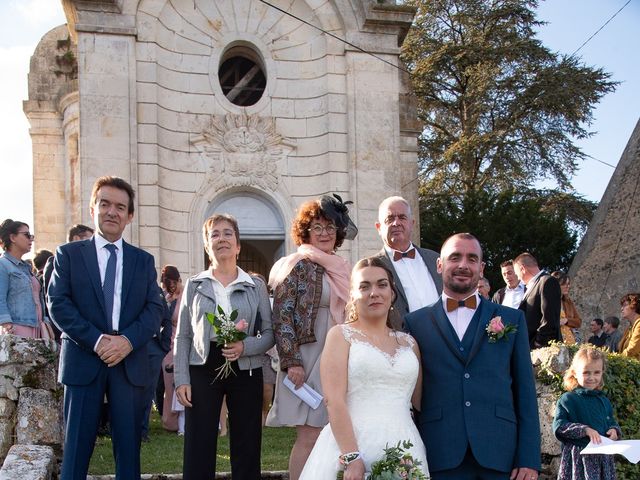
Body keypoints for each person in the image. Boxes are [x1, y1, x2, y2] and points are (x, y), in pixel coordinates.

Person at [48, 176, 164, 480]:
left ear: (130, 216)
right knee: (75, 453)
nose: (112, 211)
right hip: (84, 361)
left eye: (120, 207)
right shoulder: (68, 255)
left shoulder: (143, 261)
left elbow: (155, 309)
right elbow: (58, 304)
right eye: (105, 204)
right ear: (92, 208)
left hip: (128, 364)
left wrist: (127, 341)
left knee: (128, 455)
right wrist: (98, 341)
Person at [406, 233, 540, 480]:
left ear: (481, 267)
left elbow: (525, 393)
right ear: (439, 265)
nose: (463, 265)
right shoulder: (415, 323)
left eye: (472, 258)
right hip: (439, 453)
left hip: (501, 455)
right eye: (454, 257)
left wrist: (529, 458)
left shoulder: (512, 319)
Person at [299, 257, 429, 479]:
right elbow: (334, 400)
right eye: (364, 286)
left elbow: (420, 402)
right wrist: (352, 457)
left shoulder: (409, 343)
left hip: (406, 446)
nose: (374, 292)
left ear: (392, 292)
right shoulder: (341, 335)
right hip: (353, 444)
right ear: (352, 295)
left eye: (381, 284)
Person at [174, 213, 274, 480]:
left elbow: (269, 333)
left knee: (247, 443)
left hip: (246, 367)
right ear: (207, 246)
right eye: (214, 234)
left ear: (238, 245)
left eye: (228, 233)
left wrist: (246, 347)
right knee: (199, 443)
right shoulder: (194, 285)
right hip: (203, 366)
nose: (222, 239)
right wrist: (181, 379)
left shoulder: (256, 286)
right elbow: (182, 335)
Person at [266, 195, 353, 480]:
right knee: (309, 435)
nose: (325, 233)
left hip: (337, 352)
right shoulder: (296, 265)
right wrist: (292, 362)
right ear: (306, 232)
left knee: (335, 432)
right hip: (306, 356)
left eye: (330, 227)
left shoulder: (341, 267)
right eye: (317, 227)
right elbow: (282, 316)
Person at [552, 346, 621, 480]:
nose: (591, 377)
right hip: (579, 459)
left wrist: (614, 430)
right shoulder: (568, 399)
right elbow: (559, 426)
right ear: (575, 373)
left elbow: (610, 421)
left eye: (596, 372)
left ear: (602, 373)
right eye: (586, 372)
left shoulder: (604, 400)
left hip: (603, 460)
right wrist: (585, 430)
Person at [374, 196, 442, 326]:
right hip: (399, 341)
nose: (396, 223)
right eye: (390, 219)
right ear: (378, 227)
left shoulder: (435, 259)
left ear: (412, 223)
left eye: (402, 217)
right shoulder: (373, 266)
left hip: (442, 339)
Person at [0, 219, 51, 338]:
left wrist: (45, 321)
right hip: (17, 330)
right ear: (12, 238)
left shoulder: (26, 268)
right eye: (27, 235)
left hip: (38, 329)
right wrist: (7, 325)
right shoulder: (3, 264)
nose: (31, 239)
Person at [514, 252, 562, 349]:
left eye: (517, 273)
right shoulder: (534, 285)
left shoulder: (547, 281)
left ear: (522, 269)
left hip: (543, 348)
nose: (518, 278)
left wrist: (538, 343)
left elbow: (549, 318)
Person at [159, 265, 184, 433]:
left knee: (178, 382)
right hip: (165, 346)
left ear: (179, 281)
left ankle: (181, 421)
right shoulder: (167, 297)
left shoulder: (185, 298)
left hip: (179, 344)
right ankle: (169, 421)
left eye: (174, 284)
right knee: (167, 385)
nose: (171, 288)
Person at [550, 271, 582, 345]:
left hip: (570, 340)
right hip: (554, 340)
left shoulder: (568, 302)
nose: (567, 286)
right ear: (556, 285)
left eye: (568, 284)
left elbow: (578, 322)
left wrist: (567, 320)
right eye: (564, 284)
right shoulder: (548, 301)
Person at [618, 293, 640, 359]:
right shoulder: (630, 327)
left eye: (625, 305)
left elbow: (632, 349)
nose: (622, 309)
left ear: (634, 306)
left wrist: (618, 359)